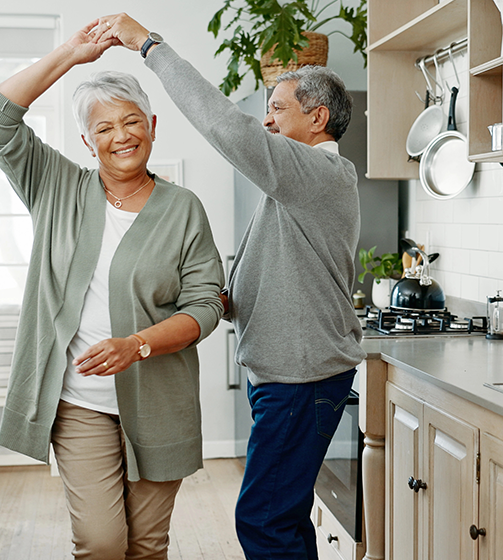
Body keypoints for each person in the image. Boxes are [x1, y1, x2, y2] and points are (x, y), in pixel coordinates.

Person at [100, 14, 366, 559]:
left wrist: (151, 45)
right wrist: (221, 300)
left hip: (300, 377)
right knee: (284, 516)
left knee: (264, 520)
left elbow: (225, 125)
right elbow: (283, 267)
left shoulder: (315, 174)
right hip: (291, 373)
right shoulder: (298, 186)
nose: (266, 122)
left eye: (277, 109)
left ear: (318, 118)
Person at [0, 20, 225, 560]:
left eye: (131, 121)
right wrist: (70, 54)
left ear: (153, 126)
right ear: (87, 141)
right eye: (104, 127)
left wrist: (136, 345)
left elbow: (206, 305)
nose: (121, 136)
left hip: (161, 401)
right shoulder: (56, 185)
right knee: (102, 543)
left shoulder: (183, 209)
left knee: (148, 546)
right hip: (78, 402)